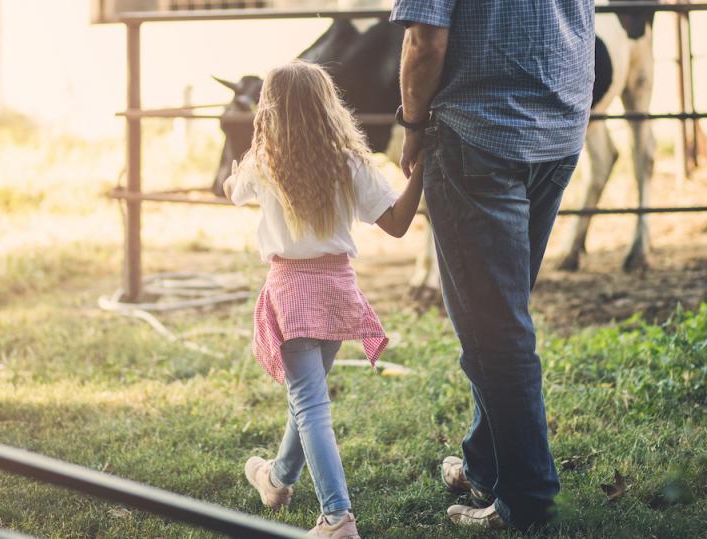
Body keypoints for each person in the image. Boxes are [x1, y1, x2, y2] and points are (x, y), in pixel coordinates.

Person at [390, 0, 595, 532]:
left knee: (494, 331)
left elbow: (426, 40)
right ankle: (485, 465)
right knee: (500, 315)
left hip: (479, 135)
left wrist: (411, 125)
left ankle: (528, 498)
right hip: (557, 129)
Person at [224, 60, 424, 538]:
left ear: (269, 110)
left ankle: (337, 519)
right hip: (337, 295)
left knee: (310, 404)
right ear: (329, 106)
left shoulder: (263, 161)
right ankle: (275, 479)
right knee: (307, 398)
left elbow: (232, 192)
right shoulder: (352, 162)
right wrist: (423, 173)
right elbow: (396, 223)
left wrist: (236, 173)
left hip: (291, 296)